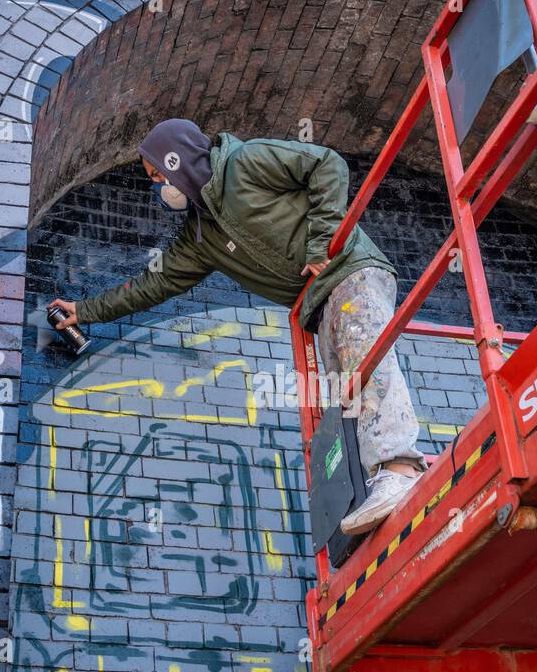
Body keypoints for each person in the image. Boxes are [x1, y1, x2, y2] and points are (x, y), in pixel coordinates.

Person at [51, 119, 426, 536]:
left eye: (158, 174)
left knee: (365, 361)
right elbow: (153, 285)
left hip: (349, 269)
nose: (159, 188)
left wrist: (321, 241)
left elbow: (327, 165)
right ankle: (381, 479)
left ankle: (400, 466)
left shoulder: (243, 163)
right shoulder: (200, 237)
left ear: (178, 161)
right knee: (349, 393)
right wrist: (86, 311)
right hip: (321, 305)